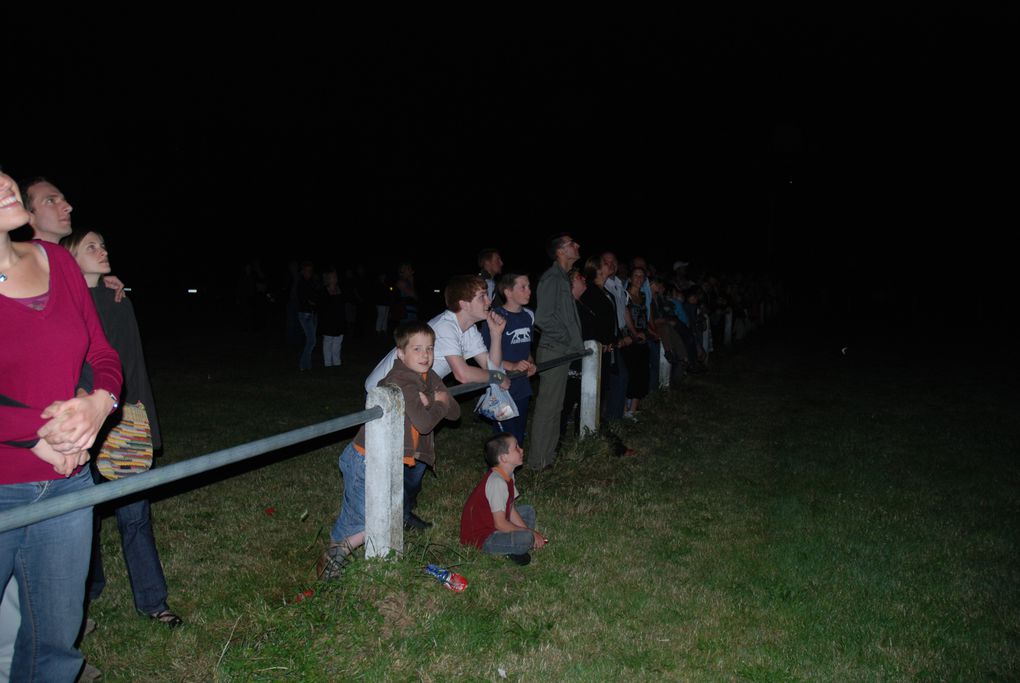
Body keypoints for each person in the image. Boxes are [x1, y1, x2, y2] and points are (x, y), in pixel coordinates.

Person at [0, 171, 122, 681]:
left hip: (70, 481)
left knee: (55, 645)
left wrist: (99, 403)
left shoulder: (59, 263)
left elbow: (101, 351)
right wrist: (37, 434)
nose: (5, 182)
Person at [61, 230, 182, 631]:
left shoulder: (118, 299)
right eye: (91, 247)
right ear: (68, 257)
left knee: (134, 516)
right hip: (80, 424)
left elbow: (134, 369)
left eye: (103, 244)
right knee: (82, 516)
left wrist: (146, 423)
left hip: (124, 423)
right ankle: (87, 590)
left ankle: (153, 601)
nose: (103, 251)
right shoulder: (62, 303)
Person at [364, 275, 510, 530]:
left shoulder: (468, 331)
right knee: (398, 458)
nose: (489, 300)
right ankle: (386, 517)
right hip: (388, 392)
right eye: (482, 296)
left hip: (420, 391)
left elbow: (491, 367)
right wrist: (497, 376)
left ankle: (402, 513)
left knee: (418, 458)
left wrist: (496, 336)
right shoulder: (445, 327)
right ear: (464, 304)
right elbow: (463, 374)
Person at [319, 322, 461, 579]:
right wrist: (437, 404)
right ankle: (333, 556)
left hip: (385, 459)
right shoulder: (401, 381)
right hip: (365, 459)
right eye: (417, 349)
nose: (425, 355)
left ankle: (340, 552)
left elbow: (455, 411)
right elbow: (427, 422)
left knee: (377, 514)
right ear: (400, 353)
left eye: (429, 348)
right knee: (359, 517)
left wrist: (436, 403)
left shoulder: (429, 376)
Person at [528, 234, 583, 471]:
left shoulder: (562, 278)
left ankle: (547, 458)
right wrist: (567, 340)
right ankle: (538, 462)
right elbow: (543, 318)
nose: (577, 245)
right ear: (560, 251)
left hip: (561, 350)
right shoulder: (552, 278)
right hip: (554, 350)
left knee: (556, 407)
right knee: (547, 408)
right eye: (572, 243)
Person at [460, 433, 547, 566]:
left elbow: (510, 509)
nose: (521, 450)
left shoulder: (508, 475)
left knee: (528, 511)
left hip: (494, 526)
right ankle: (509, 548)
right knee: (526, 537)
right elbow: (500, 524)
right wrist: (530, 533)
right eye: (516, 448)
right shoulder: (497, 482)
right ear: (503, 458)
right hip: (481, 539)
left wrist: (529, 532)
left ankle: (512, 547)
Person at [480, 272, 536, 447]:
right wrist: (511, 365)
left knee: (519, 434)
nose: (529, 291)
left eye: (529, 287)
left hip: (522, 386)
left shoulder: (528, 316)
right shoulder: (494, 317)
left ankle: (512, 472)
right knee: (505, 438)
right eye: (523, 287)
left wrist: (531, 363)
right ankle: (498, 472)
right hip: (501, 388)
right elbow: (486, 357)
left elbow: (526, 348)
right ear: (508, 292)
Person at [318, 268, 346, 367]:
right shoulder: (323, 291)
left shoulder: (340, 289)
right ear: (328, 278)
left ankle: (337, 362)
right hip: (328, 321)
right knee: (328, 342)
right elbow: (322, 307)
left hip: (339, 320)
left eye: (335, 276)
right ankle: (328, 363)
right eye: (333, 276)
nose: (335, 278)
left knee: (338, 342)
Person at [295, 261, 319, 371]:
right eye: (307, 271)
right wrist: (312, 302)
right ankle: (303, 364)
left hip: (312, 314)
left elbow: (316, 296)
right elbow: (304, 299)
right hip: (305, 314)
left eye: (310, 271)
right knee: (311, 340)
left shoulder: (312, 282)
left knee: (311, 340)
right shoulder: (301, 283)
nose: (309, 273)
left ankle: (306, 365)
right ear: (303, 272)